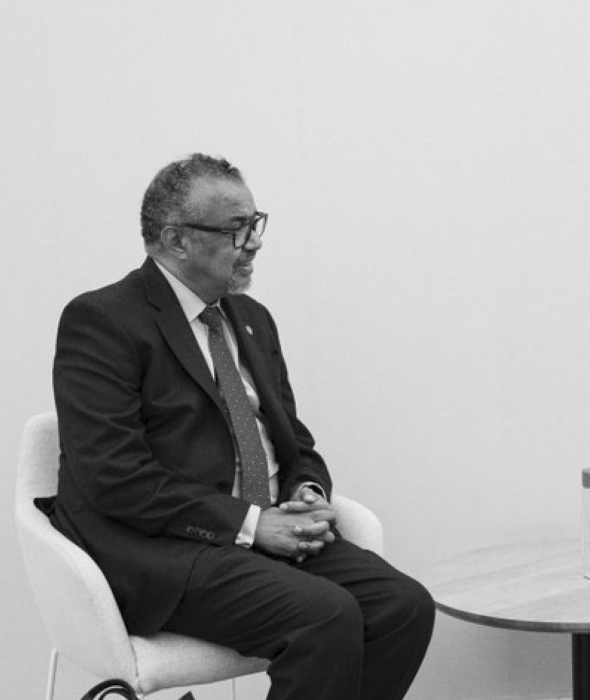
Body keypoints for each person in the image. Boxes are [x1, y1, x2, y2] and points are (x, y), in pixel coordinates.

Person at [49, 154, 435, 700]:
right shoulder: (103, 321)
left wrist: (306, 491)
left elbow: (294, 443)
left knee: (403, 607)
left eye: (255, 224)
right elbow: (114, 477)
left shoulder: (251, 318)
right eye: (236, 229)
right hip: (168, 549)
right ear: (176, 240)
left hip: (261, 536)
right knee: (323, 616)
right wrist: (252, 524)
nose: (254, 243)